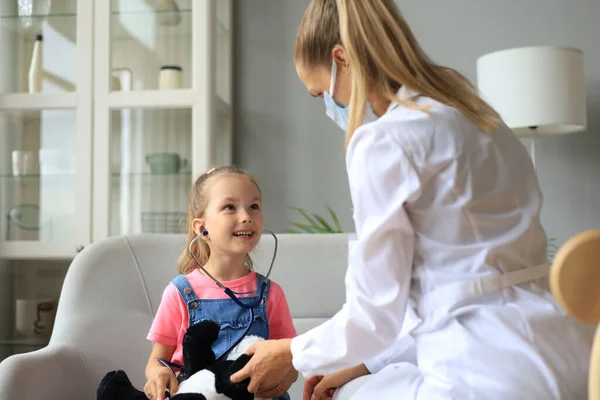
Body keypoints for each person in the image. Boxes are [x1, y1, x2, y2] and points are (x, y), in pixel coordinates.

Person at [229, 0, 595, 399]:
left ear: (341, 60)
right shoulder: (480, 116)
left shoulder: (383, 142)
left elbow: (376, 313)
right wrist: (364, 363)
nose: (327, 105)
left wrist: (291, 353)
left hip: (482, 371)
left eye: (320, 93)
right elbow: (464, 289)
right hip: (567, 355)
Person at [144, 166, 298, 400]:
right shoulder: (179, 293)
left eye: (254, 206)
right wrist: (159, 375)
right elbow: (157, 361)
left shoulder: (270, 294)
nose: (246, 216)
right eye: (229, 207)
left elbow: (291, 358)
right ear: (201, 228)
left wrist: (282, 381)